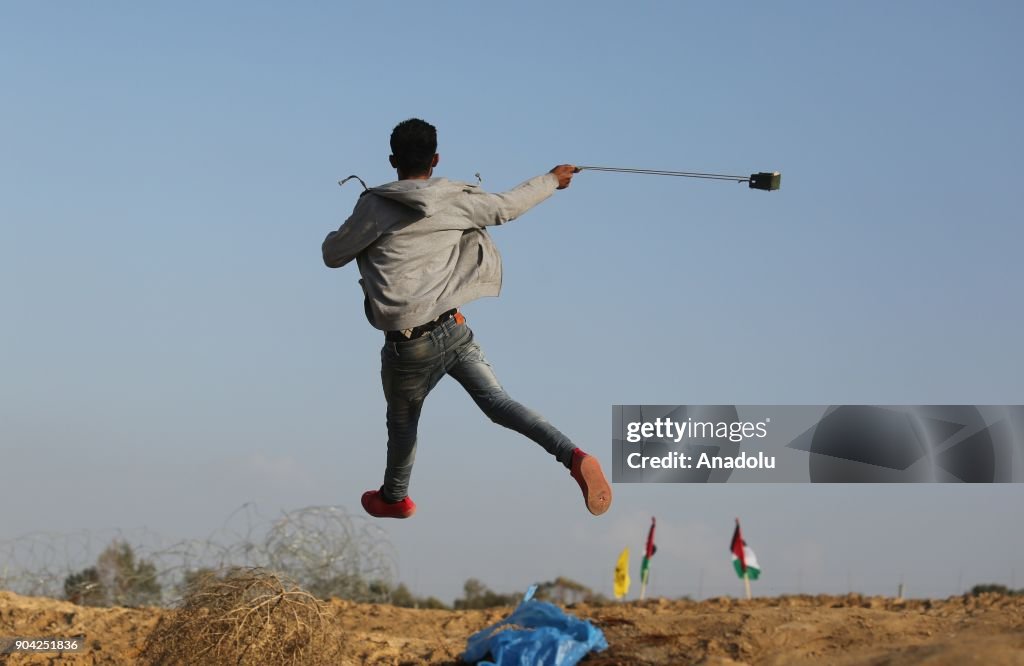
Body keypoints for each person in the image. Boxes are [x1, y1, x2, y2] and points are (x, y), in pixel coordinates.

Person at [322, 118, 611, 519]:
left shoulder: (374, 205)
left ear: (392, 160)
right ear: (436, 159)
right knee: (498, 402)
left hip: (408, 347)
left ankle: (395, 497)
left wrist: (357, 234)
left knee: (403, 424)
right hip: (453, 329)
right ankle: (573, 454)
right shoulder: (455, 198)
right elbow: (506, 207)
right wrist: (551, 180)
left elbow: (332, 255)